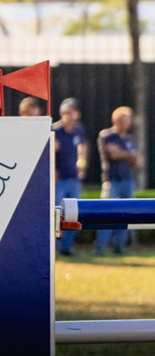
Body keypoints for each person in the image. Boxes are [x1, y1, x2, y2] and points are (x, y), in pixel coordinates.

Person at [94, 106, 140, 256]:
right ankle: (100, 248)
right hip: (111, 180)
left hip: (128, 180)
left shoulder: (129, 139)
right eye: (123, 120)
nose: (126, 123)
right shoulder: (107, 136)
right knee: (106, 214)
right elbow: (113, 155)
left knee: (125, 215)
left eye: (128, 120)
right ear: (115, 120)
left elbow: (137, 161)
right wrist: (129, 155)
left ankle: (119, 247)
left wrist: (122, 154)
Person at [51, 98, 88, 256]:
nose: (71, 115)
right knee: (55, 214)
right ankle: (53, 248)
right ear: (62, 113)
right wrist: (52, 170)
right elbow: (48, 153)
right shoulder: (54, 130)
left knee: (75, 214)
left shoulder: (79, 130)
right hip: (59, 180)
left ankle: (66, 247)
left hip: (74, 178)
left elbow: (82, 149)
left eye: (73, 111)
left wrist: (82, 165)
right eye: (68, 112)